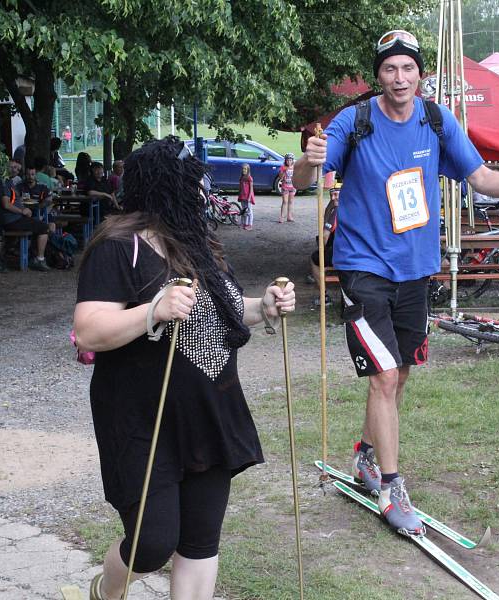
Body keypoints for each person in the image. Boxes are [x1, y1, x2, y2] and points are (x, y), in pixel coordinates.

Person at [293, 29, 499, 535]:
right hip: (363, 269)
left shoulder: (437, 122)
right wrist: (309, 159)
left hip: (416, 271)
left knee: (402, 374)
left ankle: (366, 457)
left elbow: (479, 177)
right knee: (385, 376)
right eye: (390, 69)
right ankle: (392, 490)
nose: (399, 78)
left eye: (408, 68)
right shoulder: (356, 121)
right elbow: (309, 180)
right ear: (379, 75)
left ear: (420, 74)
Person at [72, 137, 295, 600]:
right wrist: (151, 310)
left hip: (210, 412)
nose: (201, 192)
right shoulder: (118, 246)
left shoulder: (201, 245)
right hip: (140, 419)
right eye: (192, 183)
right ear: (165, 188)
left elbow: (223, 314)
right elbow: (90, 331)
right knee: (153, 543)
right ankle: (106, 591)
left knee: (199, 542)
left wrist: (265, 307)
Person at [0, 166, 53, 271]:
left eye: (18, 169)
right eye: (13, 168)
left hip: (18, 217)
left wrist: (24, 209)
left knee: (42, 225)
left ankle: (33, 255)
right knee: (43, 227)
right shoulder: (6, 184)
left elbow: (50, 200)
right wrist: (22, 211)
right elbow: (6, 204)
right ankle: (39, 259)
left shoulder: (10, 183)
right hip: (13, 219)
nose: (15, 170)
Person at [308, 183, 340, 305]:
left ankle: (324, 296)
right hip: (355, 251)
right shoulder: (354, 206)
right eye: (331, 195)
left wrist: (323, 248)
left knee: (314, 259)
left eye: (336, 194)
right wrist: (331, 206)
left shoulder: (337, 211)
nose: (333, 198)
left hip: (340, 253)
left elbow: (325, 235)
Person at [278, 153, 296, 223]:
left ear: (292, 160)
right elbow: (280, 177)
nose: (289, 162)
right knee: (285, 201)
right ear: (285, 161)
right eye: (287, 160)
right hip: (285, 186)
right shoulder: (283, 167)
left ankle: (289, 216)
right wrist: (283, 172)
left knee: (290, 202)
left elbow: (297, 175)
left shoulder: (295, 167)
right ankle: (282, 217)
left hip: (292, 186)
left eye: (290, 160)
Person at [237, 163, 254, 231]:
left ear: (248, 170)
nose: (244, 170)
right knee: (244, 210)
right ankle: (245, 223)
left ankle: (250, 224)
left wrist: (249, 197)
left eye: (245, 169)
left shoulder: (249, 178)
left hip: (248, 197)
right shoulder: (241, 177)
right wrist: (239, 195)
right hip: (242, 196)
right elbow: (240, 187)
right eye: (243, 169)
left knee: (249, 211)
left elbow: (251, 189)